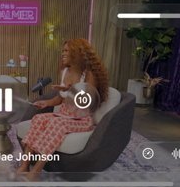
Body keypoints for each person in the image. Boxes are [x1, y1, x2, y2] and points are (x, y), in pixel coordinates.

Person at [16, 38, 110, 179]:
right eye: (63, 51)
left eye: (66, 51)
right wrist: (46, 103)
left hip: (81, 119)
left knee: (56, 124)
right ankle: (24, 165)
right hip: (63, 114)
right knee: (38, 118)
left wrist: (71, 89)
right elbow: (60, 98)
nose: (63, 53)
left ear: (76, 53)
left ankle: (36, 172)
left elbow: (87, 102)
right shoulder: (65, 71)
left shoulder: (88, 74)